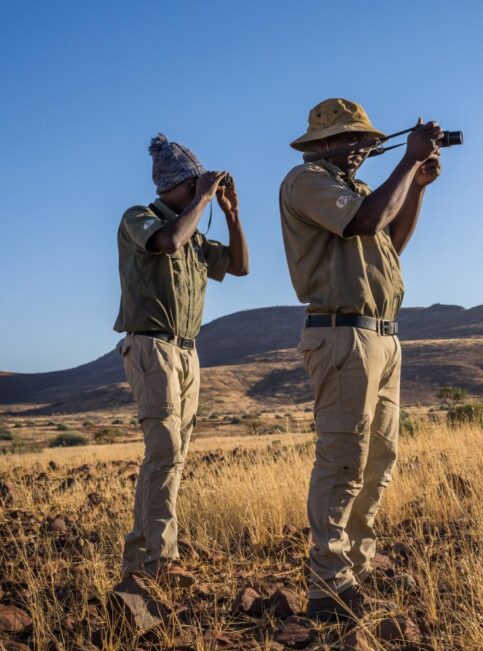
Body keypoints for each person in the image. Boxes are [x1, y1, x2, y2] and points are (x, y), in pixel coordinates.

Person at [279, 98, 442, 621]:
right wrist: (407, 160)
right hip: (344, 335)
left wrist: (414, 185)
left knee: (379, 459)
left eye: (363, 139)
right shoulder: (306, 181)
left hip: (383, 337)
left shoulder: (363, 191)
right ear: (322, 142)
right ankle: (328, 582)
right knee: (343, 457)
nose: (361, 148)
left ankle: (355, 564)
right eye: (352, 139)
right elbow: (364, 223)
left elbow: (391, 239)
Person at [114, 134, 250, 587]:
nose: (199, 191)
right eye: (192, 183)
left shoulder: (196, 236)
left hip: (188, 351)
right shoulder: (141, 217)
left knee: (177, 453)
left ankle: (158, 553)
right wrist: (205, 195)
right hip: (152, 347)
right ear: (173, 184)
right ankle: (148, 559)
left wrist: (230, 213)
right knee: (164, 450)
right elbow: (168, 242)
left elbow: (240, 265)